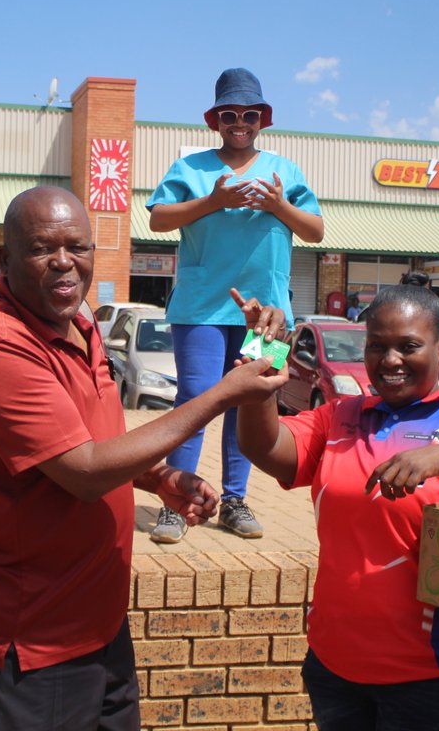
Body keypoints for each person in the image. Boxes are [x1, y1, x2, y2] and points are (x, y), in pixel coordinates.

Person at [0, 186, 286, 729]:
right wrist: (221, 394)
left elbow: (91, 440)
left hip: (96, 622)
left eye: (77, 246)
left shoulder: (79, 326)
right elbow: (83, 472)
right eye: (41, 248)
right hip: (33, 636)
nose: (63, 262)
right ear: (6, 260)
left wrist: (160, 477)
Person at [235, 283, 439, 730]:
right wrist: (265, 356)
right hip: (338, 672)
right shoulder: (342, 415)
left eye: (408, 346)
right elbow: (265, 448)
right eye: (377, 346)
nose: (390, 360)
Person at [145, 67, 324, 543]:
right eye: (229, 114)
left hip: (270, 314)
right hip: (202, 306)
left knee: (250, 401)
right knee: (196, 400)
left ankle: (234, 500)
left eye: (249, 114)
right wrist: (213, 200)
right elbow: (159, 220)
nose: (239, 122)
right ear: (215, 120)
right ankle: (174, 501)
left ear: (262, 118)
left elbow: (315, 231)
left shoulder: (285, 172)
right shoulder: (193, 169)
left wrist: (278, 207)